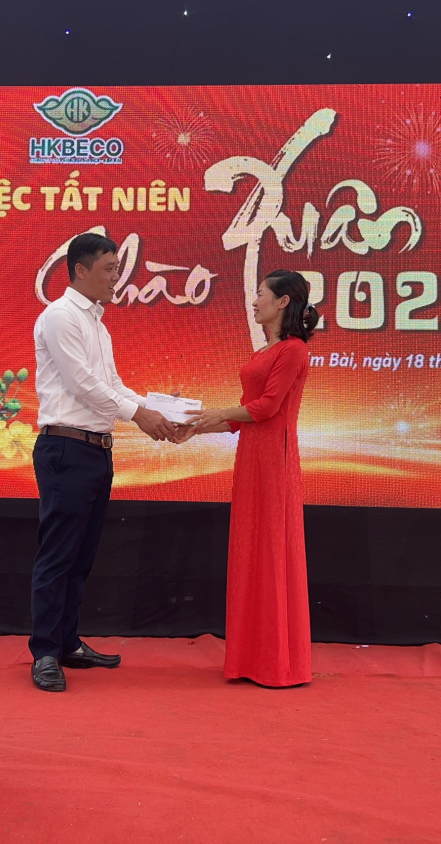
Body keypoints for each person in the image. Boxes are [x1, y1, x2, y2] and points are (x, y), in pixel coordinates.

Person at [29, 232, 177, 692]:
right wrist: (139, 415)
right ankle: (45, 653)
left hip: (96, 450)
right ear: (80, 270)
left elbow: (112, 384)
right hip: (66, 449)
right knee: (58, 554)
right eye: (110, 269)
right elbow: (82, 385)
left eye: (117, 269)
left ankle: (67, 642)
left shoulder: (97, 322)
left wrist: (161, 411)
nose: (117, 278)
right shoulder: (61, 316)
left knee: (80, 556)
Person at [182, 270, 318, 687]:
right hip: (252, 455)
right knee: (251, 546)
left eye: (260, 294)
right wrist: (195, 427)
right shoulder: (266, 350)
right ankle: (250, 658)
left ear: (282, 302)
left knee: (271, 549)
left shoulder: (293, 350)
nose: (254, 301)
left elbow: (267, 408)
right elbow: (245, 415)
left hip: (274, 459)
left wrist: (219, 413)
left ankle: (275, 661)